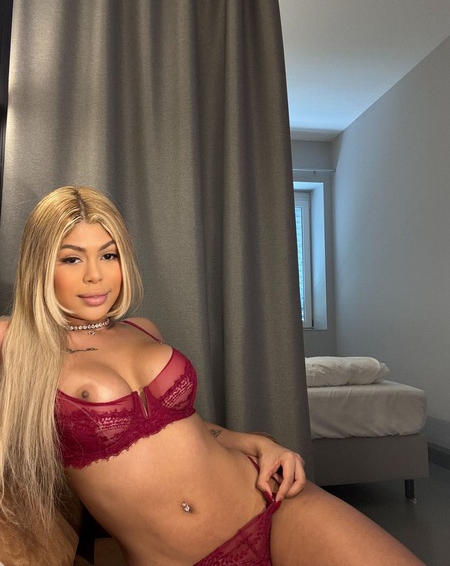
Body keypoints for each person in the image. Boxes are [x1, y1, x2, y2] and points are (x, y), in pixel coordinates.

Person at [0, 185, 424, 566]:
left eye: (108, 255)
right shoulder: (17, 343)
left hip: (272, 507)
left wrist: (259, 444)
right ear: (41, 265)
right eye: (72, 258)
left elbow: (188, 429)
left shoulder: (143, 330)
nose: (95, 274)